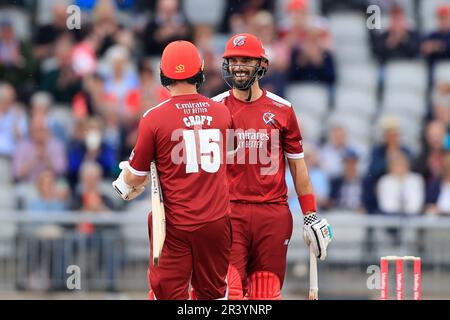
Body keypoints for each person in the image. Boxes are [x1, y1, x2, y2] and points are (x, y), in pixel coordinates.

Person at [212, 33, 332, 300]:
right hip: (229, 213)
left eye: (245, 59)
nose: (238, 66)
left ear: (262, 65)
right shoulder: (216, 109)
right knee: (231, 293)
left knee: (264, 295)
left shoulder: (283, 109)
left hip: (272, 214)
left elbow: (298, 167)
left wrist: (310, 214)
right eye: (233, 60)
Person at [112, 40, 233, 300]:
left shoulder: (154, 118)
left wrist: (124, 181)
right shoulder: (222, 112)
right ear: (200, 72)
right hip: (216, 222)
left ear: (163, 74)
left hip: (175, 225)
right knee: (212, 295)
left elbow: (134, 177)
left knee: (167, 295)